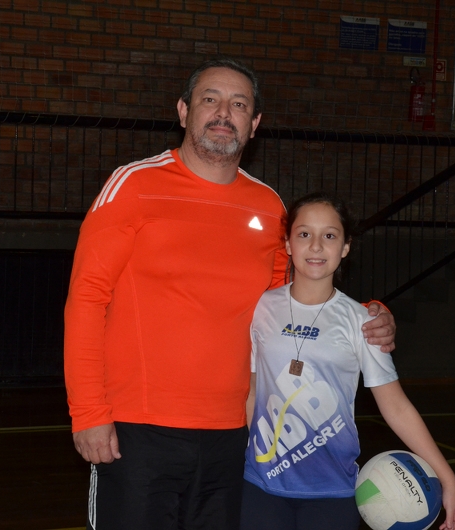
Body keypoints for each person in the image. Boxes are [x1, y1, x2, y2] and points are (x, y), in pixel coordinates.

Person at [63, 58, 397, 530]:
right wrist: (88, 413)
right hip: (135, 430)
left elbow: (294, 303)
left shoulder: (269, 207)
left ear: (254, 123)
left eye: (239, 104)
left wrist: (369, 315)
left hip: (234, 435)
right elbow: (86, 299)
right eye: (210, 99)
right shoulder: (133, 185)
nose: (224, 113)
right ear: (184, 111)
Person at [241, 191, 455, 530]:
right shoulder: (261, 308)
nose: (316, 246)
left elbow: (396, 407)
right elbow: (253, 390)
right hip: (261, 486)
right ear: (287, 244)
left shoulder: (362, 321)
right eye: (304, 234)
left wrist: (447, 477)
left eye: (330, 236)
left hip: (332, 492)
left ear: (345, 247)